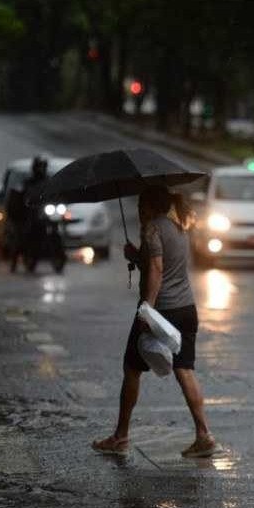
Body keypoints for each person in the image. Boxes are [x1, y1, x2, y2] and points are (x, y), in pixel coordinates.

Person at [92, 186, 216, 457]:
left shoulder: (152, 229)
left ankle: (121, 436)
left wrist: (147, 309)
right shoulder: (179, 225)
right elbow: (162, 263)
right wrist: (136, 256)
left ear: (148, 205)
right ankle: (204, 434)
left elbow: (158, 269)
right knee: (185, 369)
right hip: (187, 308)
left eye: (141, 204)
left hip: (162, 310)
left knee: (131, 368)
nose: (138, 209)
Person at [6, 155, 49, 271]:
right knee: (21, 237)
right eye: (39, 167)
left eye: (43, 167)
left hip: (43, 214)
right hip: (29, 214)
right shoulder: (28, 182)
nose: (41, 169)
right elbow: (22, 197)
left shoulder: (49, 181)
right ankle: (14, 262)